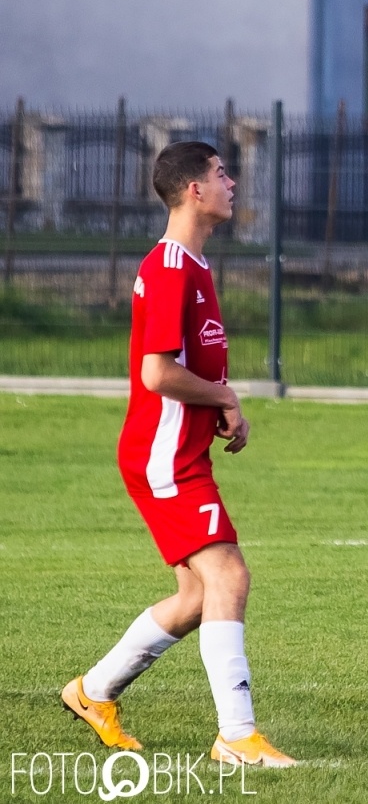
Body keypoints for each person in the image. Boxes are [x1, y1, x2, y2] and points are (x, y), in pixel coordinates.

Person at [61, 142, 295, 768]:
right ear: (194, 189)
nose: (232, 182)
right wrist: (223, 393)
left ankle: (93, 691)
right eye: (221, 173)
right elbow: (158, 373)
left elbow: (185, 367)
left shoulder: (193, 264)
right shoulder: (169, 269)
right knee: (229, 577)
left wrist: (221, 404)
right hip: (165, 457)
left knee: (197, 596)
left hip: (178, 452)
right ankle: (236, 735)